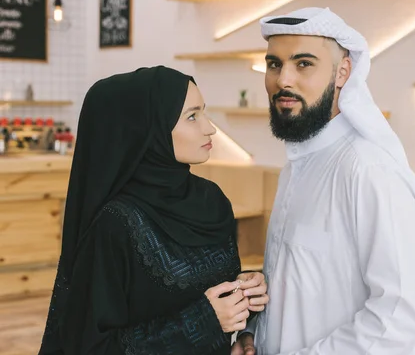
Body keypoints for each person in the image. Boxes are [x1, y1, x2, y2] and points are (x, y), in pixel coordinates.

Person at [233, 7, 415, 355]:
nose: (283, 79)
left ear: (343, 72)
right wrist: (256, 332)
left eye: (303, 63)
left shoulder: (367, 169)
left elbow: (401, 315)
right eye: (274, 64)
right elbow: (306, 285)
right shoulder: (301, 163)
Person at [38, 66, 269, 355]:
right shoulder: (116, 224)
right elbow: (92, 347)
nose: (209, 128)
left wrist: (244, 291)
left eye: (203, 112)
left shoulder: (212, 200)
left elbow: (204, 295)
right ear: (148, 128)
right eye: (192, 116)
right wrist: (203, 322)